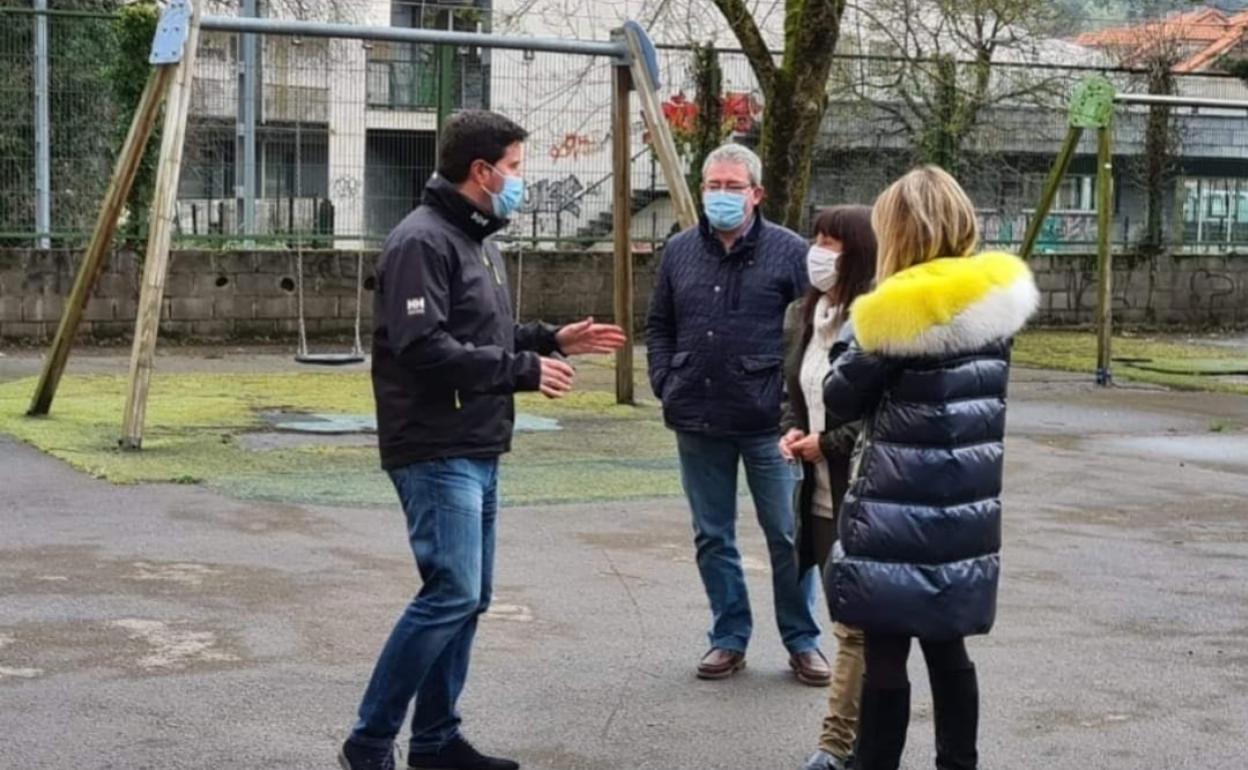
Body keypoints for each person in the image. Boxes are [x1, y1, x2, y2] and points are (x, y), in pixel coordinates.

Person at [342, 110, 626, 770]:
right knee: (450, 594)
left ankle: (435, 741)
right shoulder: (421, 242)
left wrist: (550, 340)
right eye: (516, 167)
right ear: (481, 171)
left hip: (476, 442)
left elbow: (483, 333)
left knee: (469, 598)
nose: (521, 179)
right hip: (435, 446)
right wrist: (523, 370)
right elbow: (423, 347)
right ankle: (370, 741)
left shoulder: (477, 240)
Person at [821, 166, 1039, 770]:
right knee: (949, 651)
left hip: (896, 506)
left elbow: (840, 397)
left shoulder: (895, 313)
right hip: (966, 505)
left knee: (887, 655)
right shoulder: (990, 303)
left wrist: (853, 336)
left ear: (898, 233)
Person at [646, 143, 827, 685]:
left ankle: (802, 640)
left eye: (733, 186)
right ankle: (728, 637)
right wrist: (665, 381)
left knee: (789, 535)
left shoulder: (790, 252)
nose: (721, 195)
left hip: (771, 423)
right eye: (713, 186)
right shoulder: (679, 251)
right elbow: (659, 324)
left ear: (756, 193)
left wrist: (799, 407)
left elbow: (816, 330)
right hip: (697, 414)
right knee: (712, 535)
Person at [777, 206, 877, 770]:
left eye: (831, 242)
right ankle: (860, 739)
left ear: (858, 252)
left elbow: (877, 414)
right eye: (816, 238)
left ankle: (836, 744)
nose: (817, 250)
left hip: (860, 494)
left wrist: (828, 443)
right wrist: (792, 430)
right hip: (813, 494)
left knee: (854, 629)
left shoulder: (875, 320)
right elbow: (792, 389)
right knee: (852, 626)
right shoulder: (802, 313)